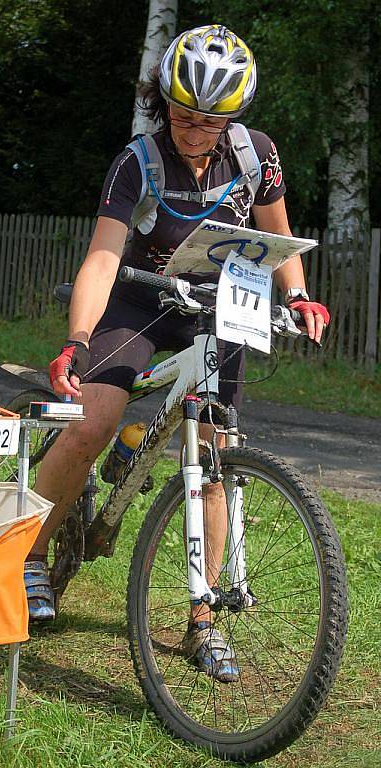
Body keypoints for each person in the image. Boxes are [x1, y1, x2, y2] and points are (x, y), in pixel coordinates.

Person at [25, 24, 330, 682]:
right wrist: (77, 339)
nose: (194, 130)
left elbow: (279, 233)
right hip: (139, 300)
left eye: (211, 121)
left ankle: (202, 620)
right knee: (93, 421)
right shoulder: (138, 160)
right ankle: (31, 554)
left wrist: (300, 295)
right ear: (162, 101)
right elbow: (104, 257)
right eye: (183, 115)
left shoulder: (258, 156)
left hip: (221, 304)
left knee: (214, 459)